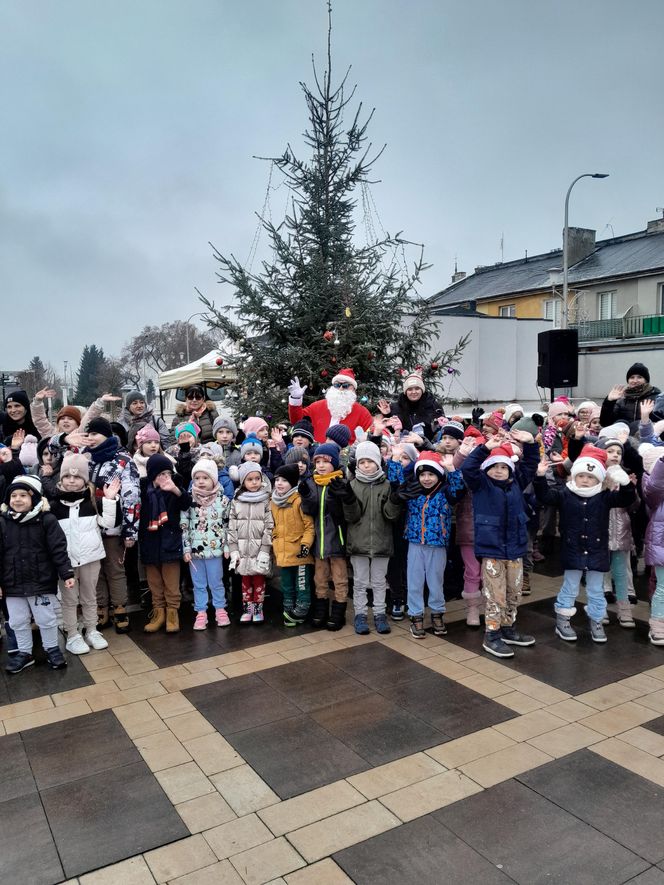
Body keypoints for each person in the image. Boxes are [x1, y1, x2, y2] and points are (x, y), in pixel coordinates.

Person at [535, 444, 636, 644]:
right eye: (581, 476)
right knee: (570, 586)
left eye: (590, 477)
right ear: (574, 476)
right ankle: (563, 620)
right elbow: (545, 496)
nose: (585, 480)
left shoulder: (604, 496)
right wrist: (539, 477)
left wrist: (625, 482)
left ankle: (596, 621)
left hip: (597, 551)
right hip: (572, 549)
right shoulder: (565, 493)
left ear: (598, 478)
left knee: (596, 589)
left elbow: (626, 498)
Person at [462, 431, 539, 658]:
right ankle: (492, 635)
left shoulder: (517, 483)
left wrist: (531, 443)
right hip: (492, 551)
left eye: (503, 467)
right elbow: (468, 468)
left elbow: (530, 464)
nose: (498, 470)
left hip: (515, 549)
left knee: (513, 592)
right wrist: (485, 448)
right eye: (494, 467)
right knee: (495, 595)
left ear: (510, 469)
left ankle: (508, 628)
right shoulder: (481, 485)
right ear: (486, 469)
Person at [0, 475, 74, 673]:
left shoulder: (46, 520)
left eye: (23, 495)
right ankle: (25, 652)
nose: (17, 499)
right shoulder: (3, 522)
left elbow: (58, 548)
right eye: (13, 495)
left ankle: (52, 649)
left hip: (41, 580)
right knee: (17, 620)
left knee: (46, 618)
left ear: (34, 498)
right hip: (12, 582)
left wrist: (66, 573)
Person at [50, 453, 119, 655]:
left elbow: (108, 523)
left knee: (90, 596)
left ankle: (92, 630)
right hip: (66, 563)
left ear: (85, 479)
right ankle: (72, 633)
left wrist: (109, 500)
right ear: (61, 478)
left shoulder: (92, 502)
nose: (72, 481)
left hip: (90, 558)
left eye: (77, 477)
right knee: (69, 599)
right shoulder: (53, 507)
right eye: (67, 477)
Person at [398, 450, 464, 639]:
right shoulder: (413, 492)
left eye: (431, 474)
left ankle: (437, 613)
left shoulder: (445, 493)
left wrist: (451, 469)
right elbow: (396, 480)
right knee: (414, 581)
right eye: (423, 474)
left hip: (438, 544)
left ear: (439, 475)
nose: (426, 478)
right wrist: (396, 459)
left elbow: (459, 489)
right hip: (415, 543)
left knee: (436, 582)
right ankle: (416, 614)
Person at [84, 417, 141, 633]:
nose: (90, 438)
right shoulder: (86, 459)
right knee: (94, 571)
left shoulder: (122, 459)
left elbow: (132, 495)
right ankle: (101, 608)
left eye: (95, 434)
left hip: (114, 527)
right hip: (89, 525)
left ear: (106, 435)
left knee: (114, 568)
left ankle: (119, 608)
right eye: (88, 434)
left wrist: (130, 529)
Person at [343, 440, 401, 635]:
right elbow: (350, 517)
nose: (366, 465)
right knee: (359, 582)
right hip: (358, 542)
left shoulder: (387, 485)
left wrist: (394, 500)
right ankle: (360, 614)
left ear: (378, 462)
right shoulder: (351, 485)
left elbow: (391, 515)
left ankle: (379, 614)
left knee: (378, 581)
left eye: (369, 461)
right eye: (362, 462)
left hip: (381, 542)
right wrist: (349, 500)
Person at [298, 442, 349, 630]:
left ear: (334, 463)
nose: (320, 465)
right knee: (320, 578)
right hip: (319, 541)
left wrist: (341, 498)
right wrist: (306, 496)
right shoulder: (311, 482)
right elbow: (309, 510)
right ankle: (321, 610)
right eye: (317, 461)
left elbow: (347, 512)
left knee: (339, 577)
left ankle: (338, 613)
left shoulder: (341, 481)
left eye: (325, 461)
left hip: (336, 539)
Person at [140, 453, 191, 633]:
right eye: (161, 474)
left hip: (170, 541)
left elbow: (187, 503)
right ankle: (158, 612)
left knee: (171, 583)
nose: (165, 478)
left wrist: (175, 490)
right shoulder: (143, 490)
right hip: (149, 542)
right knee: (154, 582)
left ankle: (172, 613)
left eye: (168, 473)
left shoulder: (175, 488)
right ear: (152, 474)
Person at [180, 458, 231, 629]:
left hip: (215, 550)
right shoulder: (188, 500)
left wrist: (227, 546)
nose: (201, 482)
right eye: (197, 478)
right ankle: (201, 611)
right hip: (195, 552)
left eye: (205, 478)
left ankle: (220, 609)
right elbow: (184, 525)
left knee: (216, 582)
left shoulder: (222, 500)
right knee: (198, 584)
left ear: (214, 479)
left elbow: (227, 524)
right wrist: (186, 548)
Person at [228, 462, 274, 623]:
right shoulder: (236, 500)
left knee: (259, 581)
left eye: (257, 478)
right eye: (250, 479)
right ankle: (247, 609)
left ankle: (258, 609)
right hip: (242, 549)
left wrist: (265, 549)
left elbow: (270, 526)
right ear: (242, 482)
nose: (254, 482)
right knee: (245, 581)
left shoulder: (266, 500)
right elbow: (231, 525)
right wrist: (233, 548)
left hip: (259, 550)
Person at [270, 463, 314, 626]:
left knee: (302, 584)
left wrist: (305, 545)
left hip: (300, 552)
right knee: (286, 583)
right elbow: (272, 525)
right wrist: (274, 539)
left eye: (284, 480)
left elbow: (309, 526)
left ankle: (301, 610)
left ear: (293, 483)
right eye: (277, 480)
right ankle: (288, 609)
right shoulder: (273, 502)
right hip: (283, 551)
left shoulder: (299, 500)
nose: (279, 483)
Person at [288, 369, 373, 444]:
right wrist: (296, 399)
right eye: (337, 385)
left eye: (345, 385)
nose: (340, 389)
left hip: (345, 459)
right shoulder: (318, 406)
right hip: (317, 456)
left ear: (353, 389)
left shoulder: (362, 412)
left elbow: (371, 434)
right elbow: (297, 422)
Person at [377, 369, 444, 441]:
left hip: (429, 447)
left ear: (422, 390)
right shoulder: (396, 407)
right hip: (404, 447)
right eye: (410, 389)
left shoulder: (434, 405)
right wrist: (388, 414)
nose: (414, 392)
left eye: (417, 388)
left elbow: (442, 429)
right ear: (405, 391)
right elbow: (392, 433)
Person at [640, 444, 664, 645]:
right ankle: (657, 625)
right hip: (661, 544)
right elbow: (655, 486)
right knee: (663, 586)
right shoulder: (653, 488)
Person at [600, 362, 660, 427]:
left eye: (639, 377)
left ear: (646, 380)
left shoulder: (657, 397)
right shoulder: (621, 399)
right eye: (632, 377)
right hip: (624, 436)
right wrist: (609, 402)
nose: (635, 380)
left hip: (647, 435)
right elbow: (605, 423)